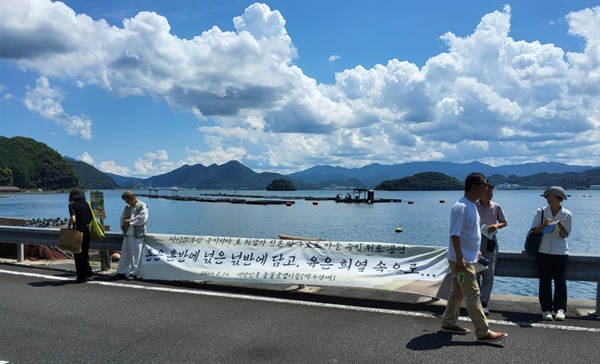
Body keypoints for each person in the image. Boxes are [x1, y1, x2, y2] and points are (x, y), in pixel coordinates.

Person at [440, 172, 508, 343]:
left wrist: (476, 251)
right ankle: (483, 332)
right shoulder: (461, 207)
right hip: (461, 261)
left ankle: (448, 322)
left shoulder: (471, 205)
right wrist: (461, 258)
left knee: (457, 291)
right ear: (475, 187)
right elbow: (454, 235)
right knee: (473, 294)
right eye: (484, 185)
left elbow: (470, 233)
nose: (487, 188)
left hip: (467, 258)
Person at [531, 186, 572, 321]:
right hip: (543, 250)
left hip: (560, 251)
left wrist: (560, 226)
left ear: (559, 198)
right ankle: (546, 309)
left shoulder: (567, 214)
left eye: (552, 196)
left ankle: (560, 309)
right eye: (548, 196)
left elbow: (565, 234)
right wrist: (544, 225)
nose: (549, 198)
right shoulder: (541, 211)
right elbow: (535, 230)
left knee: (560, 281)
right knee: (545, 281)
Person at [475, 184, 507, 315]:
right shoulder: (473, 206)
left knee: (488, 273)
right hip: (475, 241)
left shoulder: (496, 207)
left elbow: (504, 222)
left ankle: (484, 302)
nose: (489, 194)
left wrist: (496, 226)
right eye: (487, 192)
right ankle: (474, 302)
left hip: (490, 241)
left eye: (491, 192)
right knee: (475, 272)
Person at [116, 190, 148, 281]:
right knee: (125, 253)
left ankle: (134, 273)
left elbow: (142, 218)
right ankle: (121, 272)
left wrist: (129, 222)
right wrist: (123, 224)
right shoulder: (127, 207)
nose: (126, 202)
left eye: (127, 200)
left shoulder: (142, 206)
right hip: (127, 233)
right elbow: (122, 217)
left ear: (132, 198)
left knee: (136, 254)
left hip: (137, 233)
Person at [68, 187, 93, 283]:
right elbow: (90, 218)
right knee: (85, 253)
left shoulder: (72, 205)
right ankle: (88, 271)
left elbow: (74, 219)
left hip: (78, 231)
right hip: (87, 230)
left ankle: (81, 277)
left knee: (78, 254)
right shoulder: (88, 204)